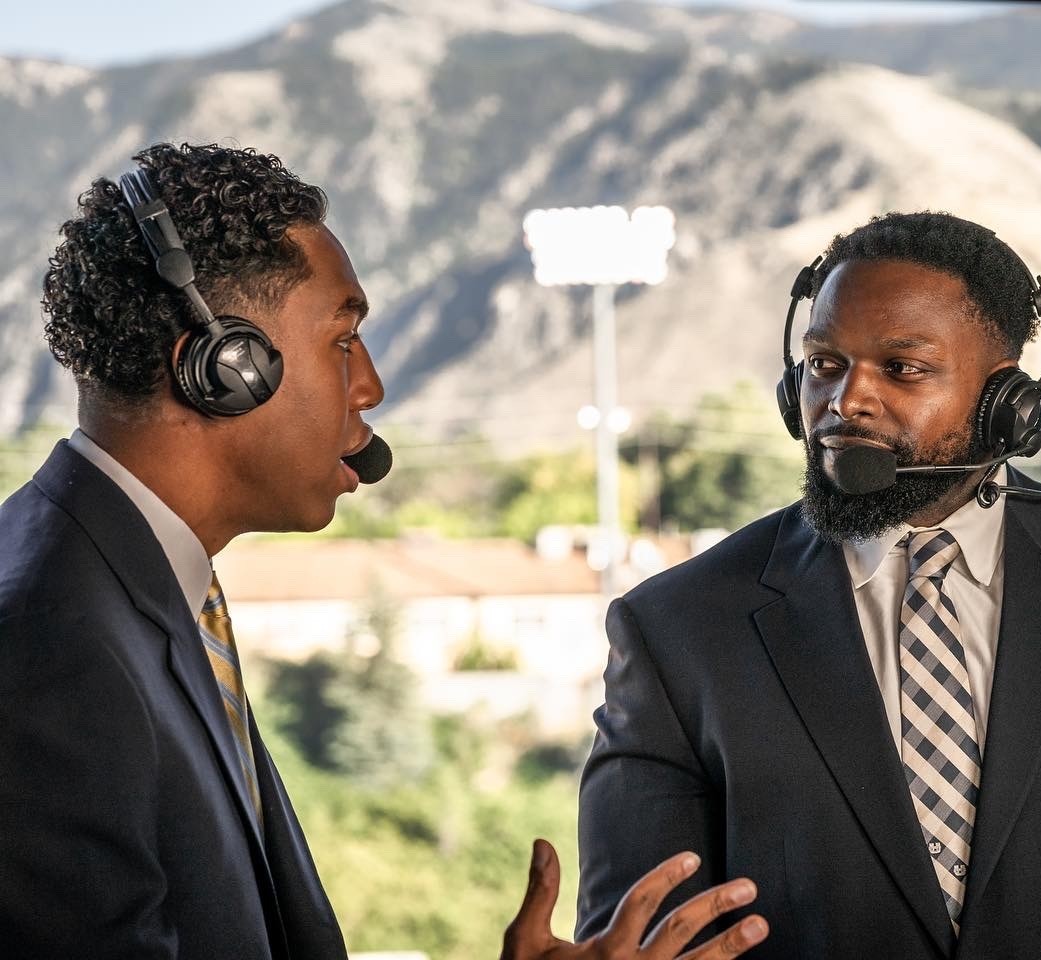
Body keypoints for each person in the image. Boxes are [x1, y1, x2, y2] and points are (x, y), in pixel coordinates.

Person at [0, 141, 767, 960]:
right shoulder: (48, 647)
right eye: (342, 340)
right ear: (227, 368)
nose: (370, 386)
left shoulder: (126, 589)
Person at [576, 212, 1041, 959]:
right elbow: (632, 941)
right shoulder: (677, 630)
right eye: (825, 363)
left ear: (1009, 405)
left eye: (903, 369)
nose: (845, 400)